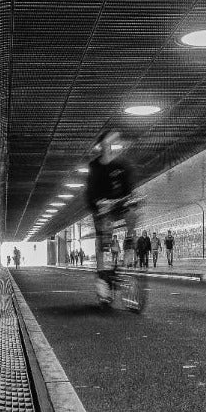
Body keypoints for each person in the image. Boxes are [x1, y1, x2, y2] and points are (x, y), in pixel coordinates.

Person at [85, 129, 135, 300]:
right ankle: (102, 279)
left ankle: (129, 247)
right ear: (101, 146)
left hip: (119, 204)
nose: (110, 148)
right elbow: (91, 191)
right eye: (106, 144)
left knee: (132, 213)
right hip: (102, 207)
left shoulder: (123, 165)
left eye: (113, 144)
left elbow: (129, 188)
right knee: (103, 236)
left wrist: (130, 199)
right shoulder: (95, 167)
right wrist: (98, 203)